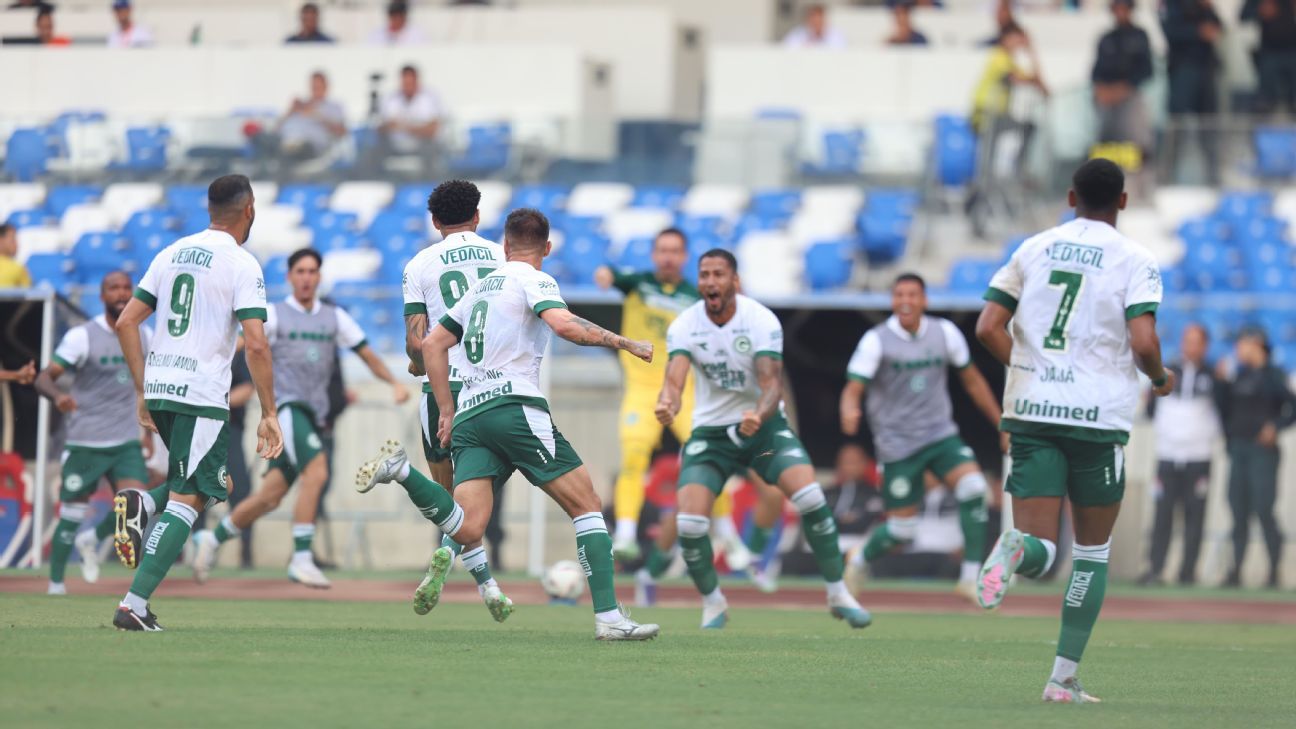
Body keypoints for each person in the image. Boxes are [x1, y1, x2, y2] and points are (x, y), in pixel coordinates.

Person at [357, 208, 660, 641]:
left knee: (467, 527)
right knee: (587, 504)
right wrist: (624, 342)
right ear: (547, 248)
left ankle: (403, 471)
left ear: (505, 245)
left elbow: (432, 344)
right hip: (514, 407)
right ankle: (609, 618)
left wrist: (446, 409)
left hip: (470, 415)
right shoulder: (533, 279)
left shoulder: (480, 288)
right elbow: (564, 325)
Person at [974, 158, 1174, 703]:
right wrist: (1159, 378)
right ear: (1123, 201)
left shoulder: (1033, 248)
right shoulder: (1136, 258)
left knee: (1040, 549)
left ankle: (1016, 548)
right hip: (1096, 420)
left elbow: (988, 326)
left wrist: (1028, 368)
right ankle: (1061, 680)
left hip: (1033, 410)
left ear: (1070, 197)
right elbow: (1144, 341)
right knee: (1090, 553)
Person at [656, 249, 871, 630]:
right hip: (711, 434)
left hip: (763, 428)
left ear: (734, 281)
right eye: (704, 274)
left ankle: (838, 593)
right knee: (689, 524)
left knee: (811, 498)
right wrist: (667, 402)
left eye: (718, 274)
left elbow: (772, 384)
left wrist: (759, 413)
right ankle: (713, 603)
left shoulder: (760, 320)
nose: (710, 282)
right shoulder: (685, 324)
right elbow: (675, 379)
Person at [110, 174, 284, 631]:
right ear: (249, 210)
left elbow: (126, 322)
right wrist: (269, 412)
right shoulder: (242, 263)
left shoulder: (170, 252)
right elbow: (256, 344)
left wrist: (142, 389)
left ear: (210, 209)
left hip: (161, 386)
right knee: (190, 499)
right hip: (201, 393)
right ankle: (133, 605)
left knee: (214, 483)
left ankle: (144, 504)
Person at [190, 247, 409, 588]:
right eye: (300, 271)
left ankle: (212, 539)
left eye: (312, 271)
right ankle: (302, 558)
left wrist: (394, 382)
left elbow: (367, 354)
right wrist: (202, 370)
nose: (306, 278)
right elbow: (238, 345)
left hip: (314, 416)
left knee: (268, 497)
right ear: (290, 277)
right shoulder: (274, 314)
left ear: (319, 277)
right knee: (316, 472)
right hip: (288, 410)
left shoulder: (334, 318)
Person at [839, 273, 1003, 601]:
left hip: (940, 435)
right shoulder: (876, 340)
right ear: (892, 301)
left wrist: (1001, 423)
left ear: (924, 300)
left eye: (912, 295)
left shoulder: (945, 333)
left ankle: (969, 577)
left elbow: (972, 380)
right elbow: (853, 387)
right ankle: (859, 557)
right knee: (902, 531)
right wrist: (848, 409)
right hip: (898, 445)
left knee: (973, 488)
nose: (906, 301)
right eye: (899, 295)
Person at [394, 179, 512, 621]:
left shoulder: (419, 264)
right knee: (476, 496)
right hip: (492, 388)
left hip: (440, 389)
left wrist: (417, 362)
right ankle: (487, 585)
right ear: (477, 216)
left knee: (450, 503)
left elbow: (416, 340)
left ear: (435, 221)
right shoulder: (502, 257)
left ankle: (481, 581)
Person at [32, 271, 164, 595]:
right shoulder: (82, 337)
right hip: (85, 441)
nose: (121, 293)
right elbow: (43, 378)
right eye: (113, 288)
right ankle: (56, 585)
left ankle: (93, 538)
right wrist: (58, 397)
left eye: (126, 287)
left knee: (135, 505)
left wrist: (148, 434)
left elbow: (145, 388)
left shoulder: (145, 336)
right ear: (102, 296)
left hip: (125, 441)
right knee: (72, 513)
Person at [1139, 323, 1220, 586]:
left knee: (1195, 517)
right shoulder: (1166, 372)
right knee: (1162, 515)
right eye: (1188, 340)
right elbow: (1151, 410)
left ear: (1205, 346)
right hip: (1167, 455)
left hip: (1199, 456)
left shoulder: (1215, 375)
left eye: (1197, 341)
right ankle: (1155, 569)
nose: (1191, 346)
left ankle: (1187, 572)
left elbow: (1224, 410)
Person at [1214, 327, 1295, 588]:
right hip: (1239, 449)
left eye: (1243, 344)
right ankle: (1235, 570)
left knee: (1263, 509)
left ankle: (1273, 571)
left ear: (1256, 344)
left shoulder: (1274, 375)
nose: (1238, 349)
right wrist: (1220, 383)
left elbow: (1291, 407)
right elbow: (1223, 410)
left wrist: (1276, 426)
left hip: (1263, 453)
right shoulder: (1238, 375)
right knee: (1238, 511)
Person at [1161, 0, 1222, 183]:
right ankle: (1168, 177)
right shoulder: (1171, 4)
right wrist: (1198, 32)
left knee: (1209, 126)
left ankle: (1213, 177)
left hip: (1206, 69)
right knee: (1177, 126)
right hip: (1182, 69)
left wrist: (1208, 8)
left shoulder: (1204, 5)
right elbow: (1169, 30)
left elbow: (1219, 27)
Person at [1092, 0, 1154, 155]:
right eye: (1117, 8)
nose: (1120, 12)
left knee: (1134, 142)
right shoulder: (1106, 38)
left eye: (1123, 8)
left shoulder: (1139, 36)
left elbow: (1147, 70)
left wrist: (1124, 89)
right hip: (1106, 98)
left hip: (1130, 96)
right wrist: (1102, 89)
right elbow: (1096, 71)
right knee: (1103, 142)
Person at [971, 23, 1047, 135]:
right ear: (1006, 39)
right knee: (1024, 129)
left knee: (1027, 129)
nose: (1018, 44)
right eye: (1016, 39)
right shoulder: (998, 56)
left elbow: (1034, 78)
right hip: (985, 111)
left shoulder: (1010, 60)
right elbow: (1017, 78)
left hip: (998, 113)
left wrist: (1032, 54)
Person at [370, 65, 444, 174]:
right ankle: (373, 180)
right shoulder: (391, 99)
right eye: (405, 83)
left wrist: (405, 127)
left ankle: (429, 180)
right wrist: (389, 126)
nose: (407, 87)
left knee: (431, 148)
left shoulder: (429, 98)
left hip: (421, 145)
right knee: (373, 149)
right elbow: (379, 127)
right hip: (394, 144)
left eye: (410, 83)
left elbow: (432, 130)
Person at [275, 71, 347, 161]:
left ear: (326, 86)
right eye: (313, 87)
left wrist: (315, 115)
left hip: (310, 148)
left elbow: (342, 132)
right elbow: (276, 128)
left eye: (318, 87)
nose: (315, 90)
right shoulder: (301, 105)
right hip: (285, 141)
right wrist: (290, 111)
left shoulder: (334, 107)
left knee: (292, 150)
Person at [1241, 0, 1296, 113]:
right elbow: (1243, 16)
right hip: (1269, 52)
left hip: (1292, 51)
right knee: (1266, 102)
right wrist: (1260, 10)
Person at [782, 4, 846, 49]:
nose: (816, 23)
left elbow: (841, 51)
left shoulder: (836, 35)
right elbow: (786, 48)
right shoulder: (797, 34)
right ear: (807, 20)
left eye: (819, 20)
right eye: (813, 20)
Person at [0, 224, 32, 288]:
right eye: (13, 240)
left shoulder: (18, 267)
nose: (17, 244)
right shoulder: (18, 268)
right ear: (1, 240)